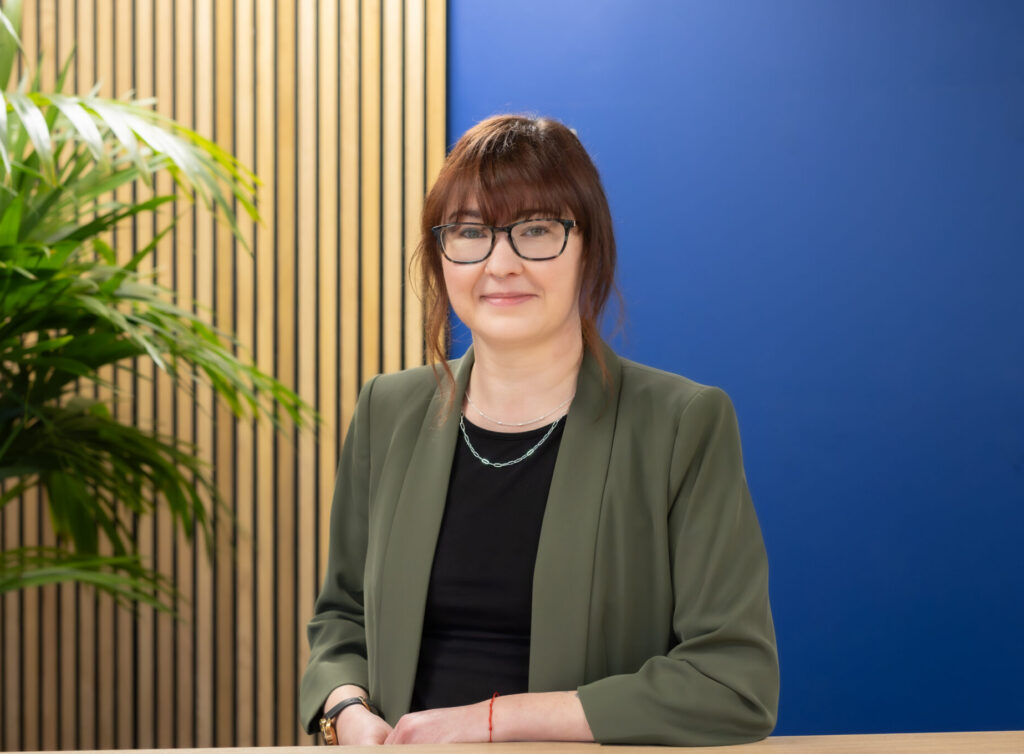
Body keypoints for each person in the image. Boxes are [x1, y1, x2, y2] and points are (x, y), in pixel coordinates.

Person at [299, 114, 779, 746]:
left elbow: (732, 683)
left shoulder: (682, 424)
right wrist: (346, 712)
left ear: (590, 247)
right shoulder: (387, 411)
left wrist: (494, 721)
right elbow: (341, 620)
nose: (501, 264)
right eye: (469, 233)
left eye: (535, 230)